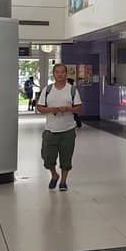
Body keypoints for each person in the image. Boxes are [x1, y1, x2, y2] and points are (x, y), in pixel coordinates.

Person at [37, 64, 83, 192]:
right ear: (53, 74)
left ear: (66, 74)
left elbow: (79, 108)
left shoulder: (72, 90)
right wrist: (52, 109)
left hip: (68, 130)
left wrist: (68, 109)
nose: (60, 74)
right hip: (51, 130)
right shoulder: (48, 89)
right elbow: (40, 107)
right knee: (47, 157)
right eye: (57, 72)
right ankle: (54, 174)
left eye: (62, 72)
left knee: (66, 157)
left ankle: (63, 181)